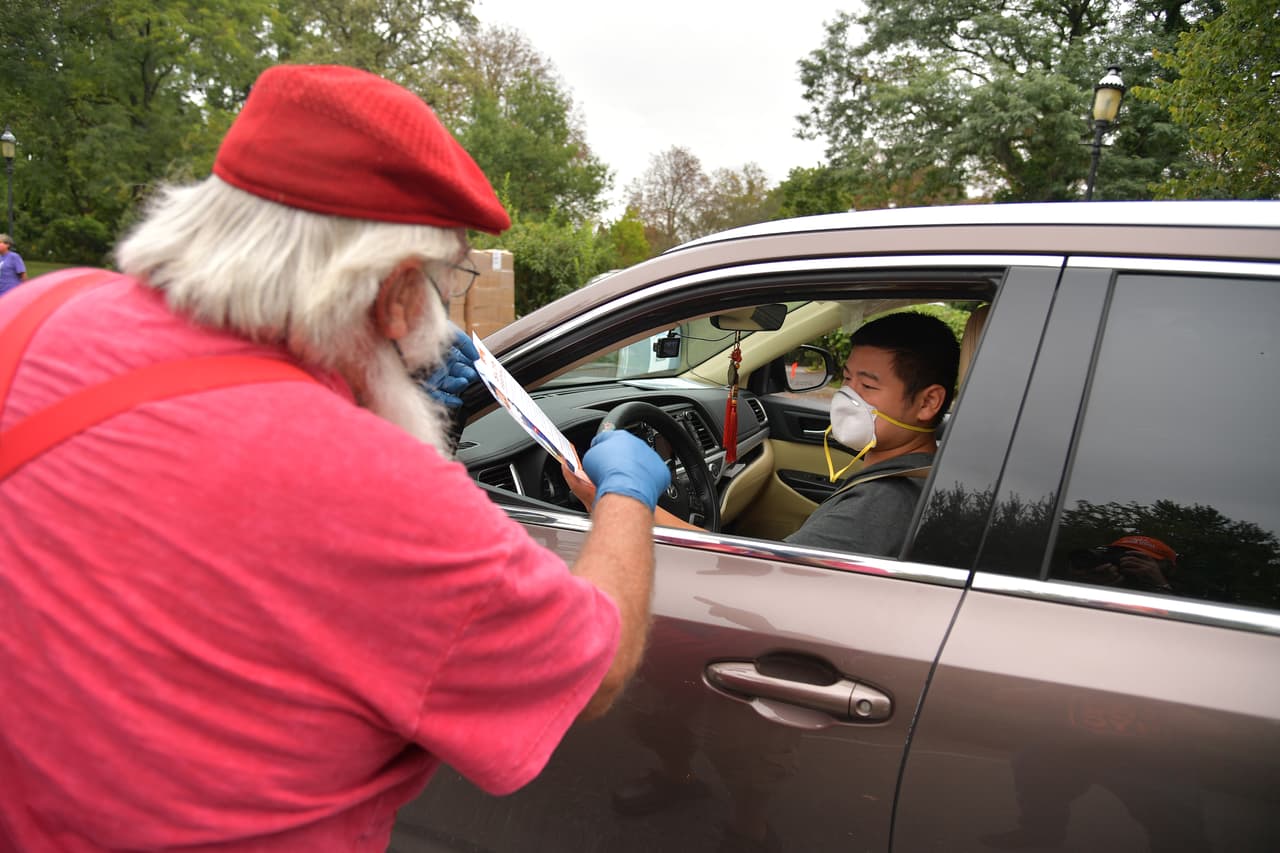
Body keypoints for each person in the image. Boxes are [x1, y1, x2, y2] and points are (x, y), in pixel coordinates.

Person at [0, 64, 671, 851]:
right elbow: (593, 667)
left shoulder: (38, 309)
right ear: (392, 293)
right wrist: (628, 493)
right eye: (444, 282)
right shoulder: (381, 490)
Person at [567, 311, 959, 558]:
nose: (847, 397)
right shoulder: (915, 471)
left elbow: (765, 576)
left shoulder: (883, 503)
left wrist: (612, 498)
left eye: (868, 387)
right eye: (848, 379)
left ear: (927, 404)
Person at [1063, 534, 1180, 593]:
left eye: (1137, 557)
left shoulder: (1186, 596)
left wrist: (1160, 585)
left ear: (1166, 568)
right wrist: (1083, 579)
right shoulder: (1102, 577)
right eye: (1115, 554)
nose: (1122, 560)